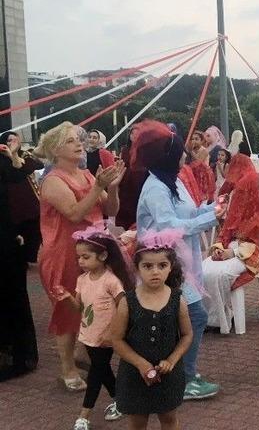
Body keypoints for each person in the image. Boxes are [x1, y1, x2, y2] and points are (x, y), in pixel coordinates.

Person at [133, 120, 221, 400]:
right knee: (193, 316)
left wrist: (215, 207)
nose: (186, 153)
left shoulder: (173, 181)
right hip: (162, 264)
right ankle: (182, 377)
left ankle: (178, 374)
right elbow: (170, 225)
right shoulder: (156, 188)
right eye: (180, 149)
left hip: (182, 262)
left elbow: (189, 213)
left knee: (187, 317)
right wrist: (212, 218)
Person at [38, 122, 124, 391]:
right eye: (71, 141)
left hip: (92, 250)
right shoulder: (52, 180)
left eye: (79, 139)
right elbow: (74, 213)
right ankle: (67, 368)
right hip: (63, 253)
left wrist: (113, 187)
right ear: (56, 150)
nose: (79, 144)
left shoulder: (86, 175)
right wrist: (98, 187)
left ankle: (82, 353)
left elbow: (110, 210)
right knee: (68, 308)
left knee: (93, 302)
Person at [111, 230, 193, 430]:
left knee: (169, 420)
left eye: (162, 265)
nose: (155, 271)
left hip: (169, 374)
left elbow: (187, 335)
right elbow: (116, 340)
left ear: (170, 267)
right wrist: (140, 364)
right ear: (137, 268)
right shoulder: (127, 302)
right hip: (134, 375)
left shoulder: (177, 299)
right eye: (147, 266)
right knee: (138, 423)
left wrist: (172, 360)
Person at [59, 228, 133, 430]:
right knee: (102, 369)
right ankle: (121, 399)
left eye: (86, 257)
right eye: (79, 257)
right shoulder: (82, 280)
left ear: (103, 256)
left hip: (107, 336)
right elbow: (79, 307)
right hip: (89, 333)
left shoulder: (110, 280)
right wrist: (66, 299)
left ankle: (84, 415)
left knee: (95, 374)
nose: (81, 261)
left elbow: (123, 305)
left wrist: (117, 331)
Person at [202, 154, 259, 335]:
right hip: (232, 247)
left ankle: (221, 320)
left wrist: (234, 252)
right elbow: (227, 228)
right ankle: (214, 318)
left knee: (219, 274)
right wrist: (219, 248)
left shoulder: (258, 201)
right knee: (203, 270)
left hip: (250, 252)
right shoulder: (235, 193)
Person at [0, 137, 39, 381]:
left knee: (9, 293)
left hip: (5, 239)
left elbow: (23, 170)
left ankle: (11, 356)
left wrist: (13, 154)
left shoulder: (4, 156)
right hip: (6, 237)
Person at [0, 131, 43, 264]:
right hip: (8, 203)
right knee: (12, 232)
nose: (12, 143)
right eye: (9, 140)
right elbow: (12, 174)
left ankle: (30, 257)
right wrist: (10, 155)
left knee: (33, 230)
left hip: (29, 202)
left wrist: (12, 154)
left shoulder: (25, 155)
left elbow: (29, 168)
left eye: (15, 140)